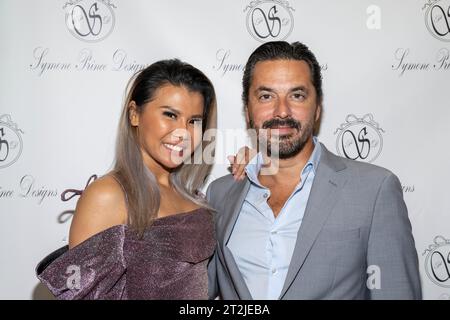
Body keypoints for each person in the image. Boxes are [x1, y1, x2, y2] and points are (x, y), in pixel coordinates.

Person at [207, 41, 422, 300]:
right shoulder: (220, 195)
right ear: (247, 110)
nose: (282, 111)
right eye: (266, 96)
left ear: (317, 107)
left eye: (297, 95)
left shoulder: (374, 190)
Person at [36, 59, 218, 299]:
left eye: (194, 121)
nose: (182, 132)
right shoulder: (109, 195)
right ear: (134, 114)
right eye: (170, 115)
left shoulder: (194, 197)